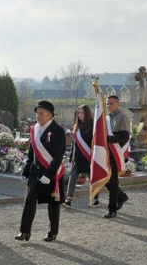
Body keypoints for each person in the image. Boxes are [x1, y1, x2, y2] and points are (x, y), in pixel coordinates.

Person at [16, 101, 65, 242]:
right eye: (37, 113)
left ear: (50, 115)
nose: (38, 116)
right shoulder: (34, 129)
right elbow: (32, 153)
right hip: (35, 172)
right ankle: (24, 232)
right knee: (29, 201)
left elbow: (58, 156)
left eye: (42, 113)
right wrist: (26, 171)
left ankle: (52, 232)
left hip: (51, 173)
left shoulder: (58, 130)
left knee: (53, 204)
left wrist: (49, 175)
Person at [63, 104, 99, 208]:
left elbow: (95, 142)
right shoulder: (76, 126)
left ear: (87, 113)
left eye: (82, 113)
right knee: (72, 177)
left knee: (92, 179)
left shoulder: (92, 125)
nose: (80, 115)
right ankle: (69, 199)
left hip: (88, 157)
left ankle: (96, 198)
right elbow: (75, 143)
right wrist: (71, 156)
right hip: (77, 157)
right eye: (78, 113)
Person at [103, 95, 130, 219]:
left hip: (117, 153)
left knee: (113, 181)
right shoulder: (107, 118)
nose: (109, 106)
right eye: (107, 104)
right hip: (107, 153)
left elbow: (124, 136)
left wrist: (108, 139)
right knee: (105, 179)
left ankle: (112, 209)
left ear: (118, 104)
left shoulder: (122, 116)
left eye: (111, 103)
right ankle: (122, 196)